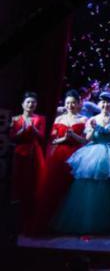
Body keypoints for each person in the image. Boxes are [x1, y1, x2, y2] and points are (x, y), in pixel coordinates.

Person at [51, 92, 110, 234]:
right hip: (95, 153)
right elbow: (87, 139)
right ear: (99, 104)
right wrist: (94, 129)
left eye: (108, 102)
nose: (105, 105)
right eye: (102, 102)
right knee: (91, 183)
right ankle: (88, 219)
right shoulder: (92, 119)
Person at [35, 90, 87, 231]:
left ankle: (71, 222)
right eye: (68, 103)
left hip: (77, 155)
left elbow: (85, 141)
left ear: (78, 103)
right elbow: (53, 140)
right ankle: (51, 221)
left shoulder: (84, 120)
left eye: (73, 103)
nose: (70, 105)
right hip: (59, 154)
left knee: (73, 187)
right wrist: (64, 138)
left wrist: (74, 136)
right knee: (55, 185)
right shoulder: (58, 119)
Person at [9, 91, 46, 231]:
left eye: (33, 102)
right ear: (23, 104)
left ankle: (31, 216)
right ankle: (16, 218)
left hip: (34, 152)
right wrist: (22, 130)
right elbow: (12, 137)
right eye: (28, 102)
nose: (31, 104)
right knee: (18, 180)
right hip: (20, 152)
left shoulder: (40, 118)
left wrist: (33, 128)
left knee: (33, 181)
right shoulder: (15, 119)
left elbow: (42, 136)